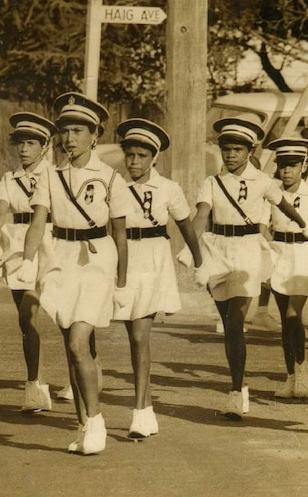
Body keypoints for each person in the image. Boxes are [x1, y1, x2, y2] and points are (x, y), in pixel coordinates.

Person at [18, 92, 131, 455]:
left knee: (77, 342)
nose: (69, 138)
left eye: (78, 130)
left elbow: (120, 234)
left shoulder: (111, 177)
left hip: (98, 260)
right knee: (75, 346)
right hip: (61, 259)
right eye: (65, 130)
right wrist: (27, 259)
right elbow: (38, 222)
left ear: (94, 135)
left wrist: (123, 282)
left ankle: (95, 421)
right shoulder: (50, 175)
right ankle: (84, 423)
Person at [189, 113, 308, 420]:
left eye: (238, 149)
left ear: (250, 152)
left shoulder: (264, 182)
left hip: (248, 250)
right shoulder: (212, 182)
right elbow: (202, 215)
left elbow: (282, 203)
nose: (231, 154)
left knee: (235, 321)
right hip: (217, 249)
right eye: (226, 148)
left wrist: (302, 224)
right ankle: (240, 383)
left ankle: (234, 391)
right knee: (228, 323)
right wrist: (192, 248)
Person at [114, 118, 203, 438]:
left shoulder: (169, 189)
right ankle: (146, 406)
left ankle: (140, 411)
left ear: (154, 158)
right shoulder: (115, 186)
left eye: (141, 156)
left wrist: (199, 260)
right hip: (122, 259)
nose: (134, 162)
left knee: (140, 336)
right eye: (129, 155)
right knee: (128, 335)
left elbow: (186, 226)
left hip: (153, 261)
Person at [0, 112, 58, 412]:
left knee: (64, 315)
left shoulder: (56, 175)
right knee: (26, 319)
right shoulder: (9, 179)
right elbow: (1, 210)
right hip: (16, 245)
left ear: (45, 146)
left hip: (49, 243)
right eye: (20, 143)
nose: (24, 148)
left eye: (31, 143)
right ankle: (35, 385)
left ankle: (79, 376)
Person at [266, 137, 308, 399]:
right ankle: (291, 374)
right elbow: (262, 226)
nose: (287, 171)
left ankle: (303, 370)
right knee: (285, 321)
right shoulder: (271, 194)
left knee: (293, 314)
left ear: (304, 166)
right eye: (283, 165)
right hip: (280, 253)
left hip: (305, 254)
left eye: (293, 165)